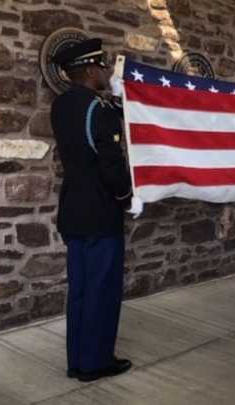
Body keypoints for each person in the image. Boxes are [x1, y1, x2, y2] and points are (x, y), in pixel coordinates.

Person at [51, 38, 135, 382]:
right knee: (102, 290)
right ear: (89, 69)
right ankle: (97, 363)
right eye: (101, 67)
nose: (105, 72)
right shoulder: (98, 111)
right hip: (101, 214)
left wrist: (115, 101)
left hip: (73, 211)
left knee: (81, 291)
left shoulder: (61, 106)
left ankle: (77, 361)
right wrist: (127, 197)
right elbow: (112, 170)